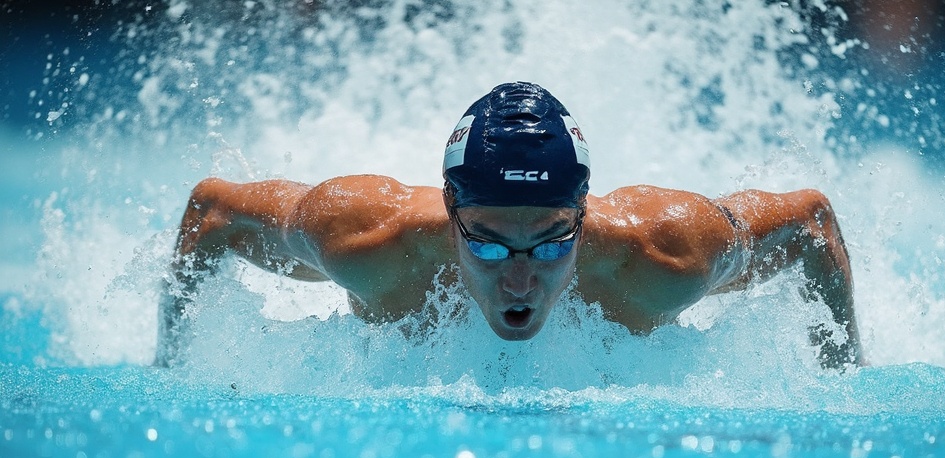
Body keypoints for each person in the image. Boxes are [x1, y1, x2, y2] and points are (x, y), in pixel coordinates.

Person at [157, 81, 863, 369]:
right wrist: (171, 367)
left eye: (553, 241)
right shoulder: (366, 242)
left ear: (584, 218)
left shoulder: (661, 255)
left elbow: (812, 224)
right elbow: (212, 212)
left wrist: (846, 375)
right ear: (449, 212)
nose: (521, 276)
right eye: (488, 242)